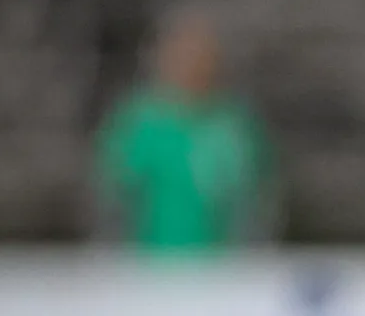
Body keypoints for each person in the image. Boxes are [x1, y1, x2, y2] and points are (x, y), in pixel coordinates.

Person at [94, 14, 273, 254]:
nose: (191, 65)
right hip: (145, 269)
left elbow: (257, 202)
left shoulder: (234, 126)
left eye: (200, 57)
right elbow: (110, 197)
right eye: (182, 55)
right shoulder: (137, 123)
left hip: (220, 271)